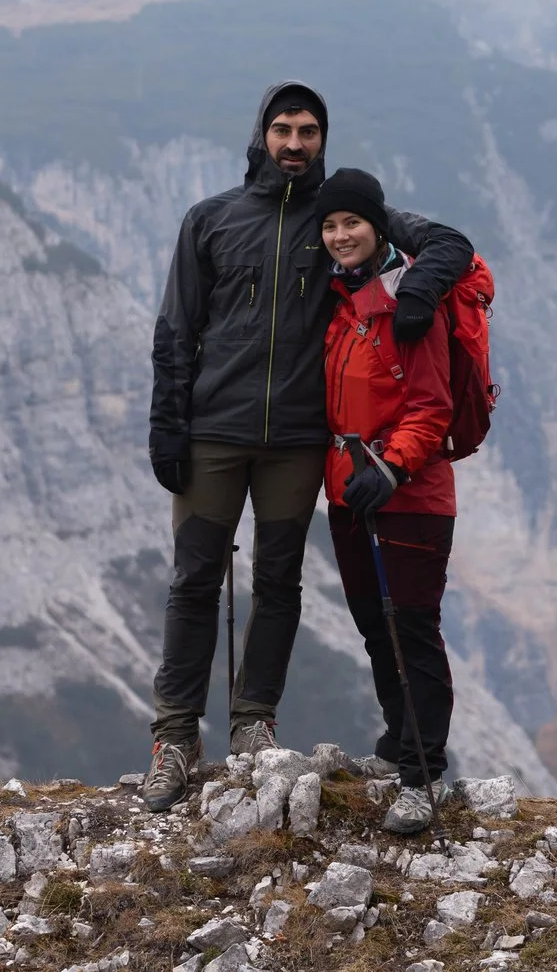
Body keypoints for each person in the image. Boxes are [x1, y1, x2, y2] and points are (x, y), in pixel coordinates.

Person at [140, 83, 473, 812]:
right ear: (261, 135)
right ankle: (175, 737)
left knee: (279, 580)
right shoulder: (212, 219)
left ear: (323, 139)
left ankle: (253, 721)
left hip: (297, 440)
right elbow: (176, 329)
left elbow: (450, 244)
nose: (295, 143)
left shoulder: (338, 216)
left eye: (309, 131)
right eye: (283, 129)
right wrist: (168, 423)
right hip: (213, 431)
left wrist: (418, 296)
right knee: (194, 580)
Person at [311, 167, 461, 836]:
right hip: (351, 493)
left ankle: (423, 773)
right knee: (377, 627)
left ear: (379, 227)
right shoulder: (342, 301)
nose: (341, 235)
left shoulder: (408, 304)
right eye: (330, 225)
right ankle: (398, 742)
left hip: (410, 497)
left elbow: (432, 408)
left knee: (413, 627)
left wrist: (393, 468)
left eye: (353, 222)